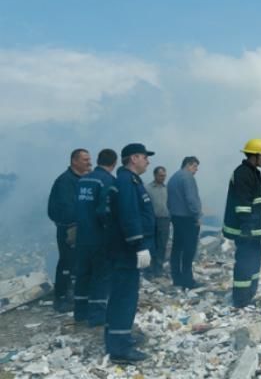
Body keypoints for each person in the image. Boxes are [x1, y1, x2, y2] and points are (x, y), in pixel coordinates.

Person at [105, 143, 155, 363]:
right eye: (145, 157)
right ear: (134, 158)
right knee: (124, 297)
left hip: (124, 250)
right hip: (126, 251)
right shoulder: (126, 181)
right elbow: (129, 215)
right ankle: (120, 349)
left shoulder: (130, 180)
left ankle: (118, 339)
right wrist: (139, 245)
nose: (148, 161)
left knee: (122, 296)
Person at [223, 138, 261, 308]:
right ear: (255, 156)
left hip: (252, 230)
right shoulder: (243, 173)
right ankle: (241, 299)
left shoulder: (252, 172)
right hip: (246, 231)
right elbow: (243, 205)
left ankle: (250, 293)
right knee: (245, 263)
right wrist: (247, 229)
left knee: (254, 262)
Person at [74, 148, 117, 326]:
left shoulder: (83, 180)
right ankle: (97, 316)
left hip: (82, 235)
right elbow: (104, 211)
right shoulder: (107, 181)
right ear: (114, 164)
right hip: (99, 237)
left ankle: (80, 312)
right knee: (101, 275)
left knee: (83, 274)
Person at [48, 148, 92, 312]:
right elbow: (64, 208)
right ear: (74, 161)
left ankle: (75, 294)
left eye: (89, 159)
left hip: (85, 228)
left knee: (80, 264)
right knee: (67, 262)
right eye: (85, 160)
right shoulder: (65, 181)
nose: (89, 162)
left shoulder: (86, 179)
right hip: (70, 229)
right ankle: (60, 298)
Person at [167, 156, 202, 289]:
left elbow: (168, 201)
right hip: (188, 219)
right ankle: (188, 281)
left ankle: (177, 278)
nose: (196, 170)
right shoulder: (187, 177)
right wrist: (197, 215)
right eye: (195, 166)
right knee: (189, 250)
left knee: (177, 249)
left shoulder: (173, 178)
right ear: (188, 165)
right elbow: (191, 199)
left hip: (176, 218)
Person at [146, 166, 170, 277]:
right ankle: (150, 270)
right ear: (155, 175)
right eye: (160, 175)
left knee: (162, 245)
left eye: (164, 176)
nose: (163, 178)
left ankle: (159, 269)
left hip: (164, 220)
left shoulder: (167, 188)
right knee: (152, 245)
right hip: (151, 220)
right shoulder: (148, 188)